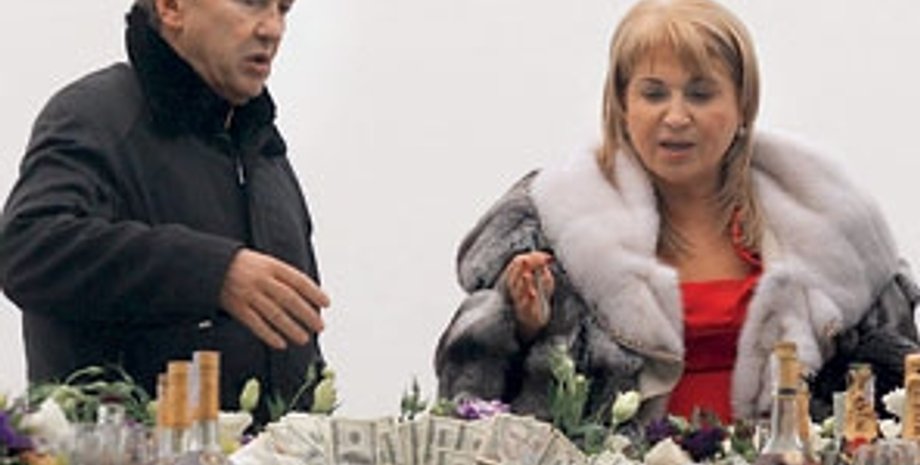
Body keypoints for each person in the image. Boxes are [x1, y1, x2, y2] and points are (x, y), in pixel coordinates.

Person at [435, 0, 920, 424]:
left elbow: (901, 397)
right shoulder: (549, 226)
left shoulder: (832, 228)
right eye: (653, 94)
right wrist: (520, 324)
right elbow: (467, 405)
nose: (676, 116)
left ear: (743, 104)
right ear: (622, 105)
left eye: (701, 94)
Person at [0, 0, 329, 422]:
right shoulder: (97, 115)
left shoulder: (265, 152)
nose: (272, 29)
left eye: (283, 9)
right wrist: (214, 273)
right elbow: (28, 247)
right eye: (251, 3)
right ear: (172, 7)